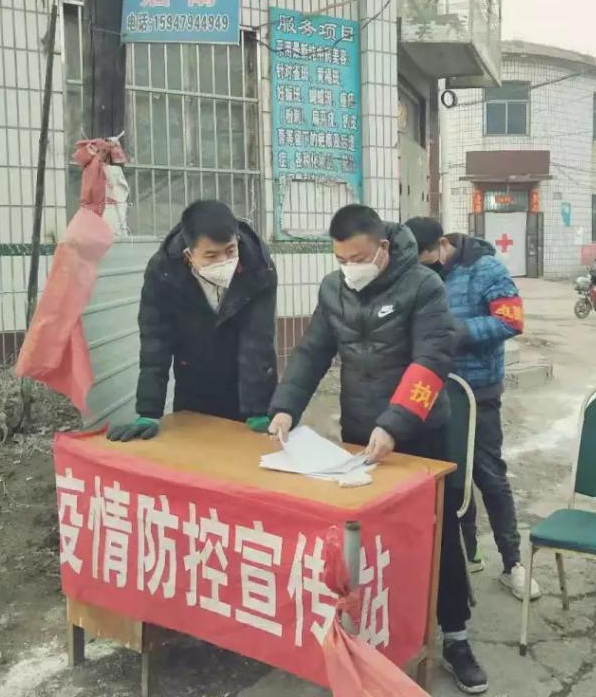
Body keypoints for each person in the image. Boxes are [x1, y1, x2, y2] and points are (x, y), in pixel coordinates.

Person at [267, 205, 488, 693]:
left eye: (359, 258)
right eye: (342, 259)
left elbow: (432, 358)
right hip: (359, 432)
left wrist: (396, 423)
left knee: (437, 535)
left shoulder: (423, 286)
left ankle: (455, 635)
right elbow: (312, 352)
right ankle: (373, 635)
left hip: (421, 434)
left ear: (383, 248)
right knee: (366, 538)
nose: (351, 267)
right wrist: (285, 408)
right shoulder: (333, 289)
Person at [405, 217, 541, 603]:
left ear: (440, 245)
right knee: (445, 476)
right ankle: (467, 555)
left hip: (477, 390)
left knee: (488, 475)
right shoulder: (416, 275)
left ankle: (513, 563)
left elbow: (511, 320)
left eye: (424, 260)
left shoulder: (485, 269)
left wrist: (458, 332)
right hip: (430, 389)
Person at [107, 200, 278, 441]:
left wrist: (258, 409)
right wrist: (149, 412)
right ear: (189, 254)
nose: (223, 261)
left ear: (237, 240)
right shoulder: (164, 272)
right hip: (194, 382)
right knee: (194, 450)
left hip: (248, 384)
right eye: (211, 255)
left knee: (251, 456)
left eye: (230, 251)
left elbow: (257, 340)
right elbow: (155, 341)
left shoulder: (259, 267)